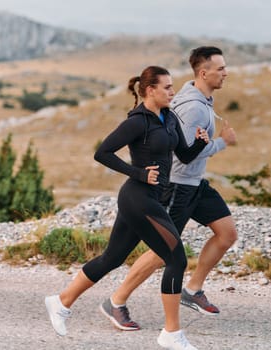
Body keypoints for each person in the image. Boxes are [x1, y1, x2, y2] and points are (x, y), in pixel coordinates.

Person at [45, 65, 209, 350]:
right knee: (176, 260)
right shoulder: (138, 122)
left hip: (153, 199)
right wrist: (139, 173)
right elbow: (102, 153)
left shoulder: (168, 117)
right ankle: (171, 333)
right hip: (137, 197)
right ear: (150, 90)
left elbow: (182, 153)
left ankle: (60, 302)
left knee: (112, 258)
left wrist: (199, 143)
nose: (173, 91)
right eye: (167, 87)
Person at [101, 46, 238, 330]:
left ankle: (192, 289)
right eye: (221, 68)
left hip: (195, 183)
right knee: (166, 250)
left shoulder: (202, 99)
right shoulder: (193, 107)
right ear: (204, 72)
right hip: (177, 185)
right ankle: (116, 301)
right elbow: (184, 152)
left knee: (226, 233)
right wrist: (223, 142)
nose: (226, 72)